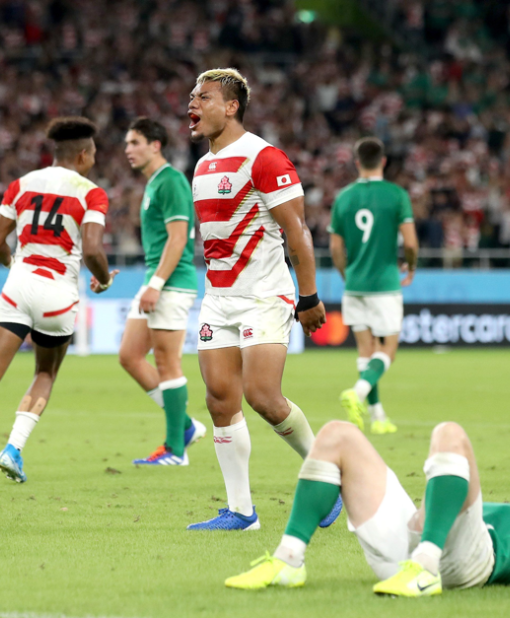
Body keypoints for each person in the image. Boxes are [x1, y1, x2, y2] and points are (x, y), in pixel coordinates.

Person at [225, 420, 510, 596]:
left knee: (451, 434)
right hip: (408, 548)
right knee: (337, 434)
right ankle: (288, 559)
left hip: (461, 565)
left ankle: (424, 568)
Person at [0, 117, 118, 487]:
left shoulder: (21, 184)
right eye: (93, 154)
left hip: (19, 286)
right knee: (45, 373)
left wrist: (16, 266)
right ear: (82, 154)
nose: (94, 160)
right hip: (58, 293)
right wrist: (105, 278)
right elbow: (93, 249)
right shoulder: (92, 193)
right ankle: (12, 450)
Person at [185, 68, 335, 530]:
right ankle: (241, 511)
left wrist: (308, 295)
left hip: (264, 295)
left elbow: (298, 230)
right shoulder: (202, 165)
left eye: (203, 97)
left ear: (231, 107)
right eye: (191, 96)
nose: (192, 105)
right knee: (219, 400)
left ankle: (328, 476)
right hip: (219, 299)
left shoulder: (264, 157)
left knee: (263, 397)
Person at [119, 117, 206, 466]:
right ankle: (183, 426)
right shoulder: (155, 183)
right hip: (155, 280)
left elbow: (179, 238)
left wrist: (156, 284)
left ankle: (175, 450)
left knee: (168, 363)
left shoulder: (170, 182)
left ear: (155, 145)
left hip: (170, 283)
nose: (128, 150)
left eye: (134, 143)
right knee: (129, 355)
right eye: (127, 144)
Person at [329, 137, 418, 434]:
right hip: (385, 284)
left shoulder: (343, 197)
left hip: (354, 284)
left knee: (366, 350)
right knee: (387, 350)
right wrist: (411, 264)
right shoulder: (396, 195)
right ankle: (358, 392)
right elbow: (411, 242)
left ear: (357, 163)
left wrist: (347, 274)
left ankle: (378, 418)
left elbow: (335, 248)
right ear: (383, 162)